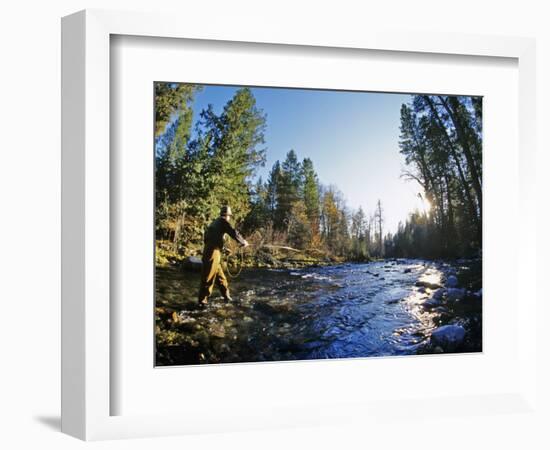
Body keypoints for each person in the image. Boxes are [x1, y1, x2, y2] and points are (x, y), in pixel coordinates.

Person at [197, 206, 248, 306]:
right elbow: (233, 232)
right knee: (208, 278)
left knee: (221, 278)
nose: (229, 218)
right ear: (227, 215)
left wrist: (223, 249)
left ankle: (227, 297)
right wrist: (243, 242)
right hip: (212, 254)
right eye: (230, 216)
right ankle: (202, 302)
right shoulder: (223, 222)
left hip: (212, 252)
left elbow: (210, 239)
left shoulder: (215, 223)